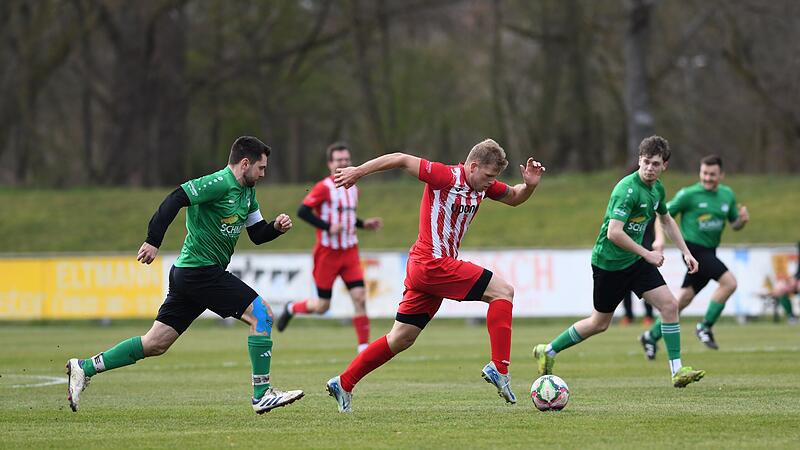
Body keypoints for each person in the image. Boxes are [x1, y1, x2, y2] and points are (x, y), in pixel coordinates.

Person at [65, 136, 304, 414]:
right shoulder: (218, 183)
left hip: (191, 275)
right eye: (261, 168)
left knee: (155, 343)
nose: (263, 174)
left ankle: (84, 367)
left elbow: (257, 234)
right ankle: (262, 394)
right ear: (245, 163)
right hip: (199, 272)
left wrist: (276, 227)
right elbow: (175, 198)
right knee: (261, 315)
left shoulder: (247, 193)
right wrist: (153, 240)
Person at [323, 139, 546, 412]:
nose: (491, 182)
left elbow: (515, 197)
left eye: (494, 177)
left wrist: (531, 185)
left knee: (401, 338)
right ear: (473, 166)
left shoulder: (482, 187)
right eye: (488, 176)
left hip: (426, 269)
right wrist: (358, 171)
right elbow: (401, 158)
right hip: (432, 263)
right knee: (503, 291)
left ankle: (343, 382)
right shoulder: (445, 176)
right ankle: (500, 368)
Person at [533, 135, 706, 388]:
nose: (649, 168)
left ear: (664, 166)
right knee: (599, 323)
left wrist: (686, 252)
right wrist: (647, 253)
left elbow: (666, 220)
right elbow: (614, 233)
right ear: (639, 160)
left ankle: (677, 371)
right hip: (609, 263)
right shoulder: (627, 190)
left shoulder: (657, 189)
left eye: (655, 164)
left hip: (635, 262)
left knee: (670, 306)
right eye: (646, 162)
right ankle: (548, 350)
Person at [276, 143, 382, 353]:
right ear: (330, 164)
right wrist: (327, 227)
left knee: (360, 297)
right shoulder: (324, 187)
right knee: (322, 306)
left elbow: (347, 216)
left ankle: (363, 349)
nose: (343, 163)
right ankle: (291, 308)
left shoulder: (354, 188)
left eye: (346, 160)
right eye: (339, 160)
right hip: (327, 254)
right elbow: (302, 211)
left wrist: (363, 224)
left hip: (350, 252)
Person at [639, 155, 749, 356]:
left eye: (712, 174)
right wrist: (660, 239)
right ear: (700, 172)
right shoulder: (688, 195)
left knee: (682, 300)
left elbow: (734, 224)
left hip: (710, 251)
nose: (707, 178)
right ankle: (705, 326)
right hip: (693, 251)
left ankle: (651, 336)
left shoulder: (727, 195)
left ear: (721, 175)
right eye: (704, 173)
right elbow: (661, 214)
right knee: (729, 283)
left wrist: (741, 221)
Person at [620, 219, 659, 326]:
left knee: (648, 287)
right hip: (629, 253)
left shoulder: (652, 211)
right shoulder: (628, 210)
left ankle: (649, 315)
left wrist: (658, 241)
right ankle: (628, 316)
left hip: (647, 253)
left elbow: (662, 222)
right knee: (625, 288)